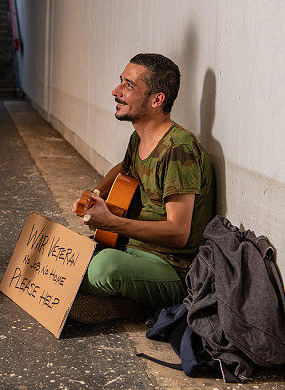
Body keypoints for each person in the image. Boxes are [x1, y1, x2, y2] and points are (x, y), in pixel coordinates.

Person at [70, 53, 216, 323]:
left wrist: (112, 222)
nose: (116, 91)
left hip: (170, 267)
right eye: (120, 82)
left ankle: (130, 306)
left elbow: (178, 233)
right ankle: (107, 295)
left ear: (156, 99)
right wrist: (94, 196)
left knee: (102, 268)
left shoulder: (178, 148)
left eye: (129, 86)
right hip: (130, 248)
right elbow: (123, 169)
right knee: (65, 252)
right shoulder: (140, 138)